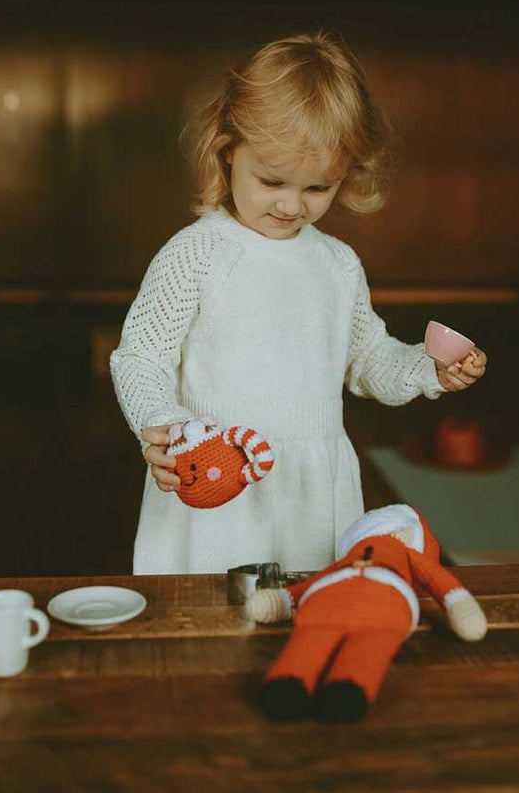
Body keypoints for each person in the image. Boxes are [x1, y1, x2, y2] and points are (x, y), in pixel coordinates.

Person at [110, 33, 487, 574]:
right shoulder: (196, 254)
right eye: (272, 181)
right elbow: (140, 358)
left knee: (307, 603)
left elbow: (368, 360)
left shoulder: (338, 265)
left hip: (312, 492)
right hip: (215, 481)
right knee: (206, 608)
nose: (291, 204)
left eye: (317, 188)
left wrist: (429, 368)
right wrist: (168, 428)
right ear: (228, 150)